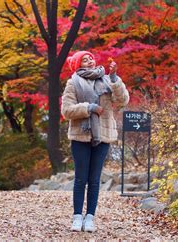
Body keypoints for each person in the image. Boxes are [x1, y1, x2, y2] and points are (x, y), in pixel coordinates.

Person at [61, 51, 129, 232]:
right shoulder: (73, 82)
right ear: (78, 65)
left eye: (90, 58)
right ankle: (77, 217)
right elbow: (66, 111)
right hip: (80, 135)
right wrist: (88, 108)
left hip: (103, 135)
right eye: (85, 59)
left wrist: (114, 77)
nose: (90, 61)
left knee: (95, 179)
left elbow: (123, 101)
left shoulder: (107, 80)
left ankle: (90, 217)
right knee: (80, 178)